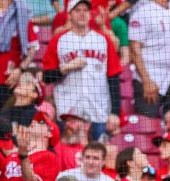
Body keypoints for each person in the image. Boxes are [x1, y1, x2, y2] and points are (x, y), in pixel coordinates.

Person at [43, 0, 121, 139]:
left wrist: (115, 112)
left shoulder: (103, 40)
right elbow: (47, 77)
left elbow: (113, 77)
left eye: (85, 10)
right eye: (77, 10)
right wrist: (66, 68)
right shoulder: (59, 40)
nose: (82, 14)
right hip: (67, 110)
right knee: (68, 155)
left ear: (90, 14)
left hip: (99, 110)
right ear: (70, 14)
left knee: (97, 153)